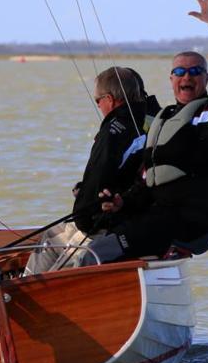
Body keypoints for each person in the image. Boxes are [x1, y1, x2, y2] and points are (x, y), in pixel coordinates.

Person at [80, 0, 208, 264]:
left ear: (207, 80)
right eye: (180, 71)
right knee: (92, 241)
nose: (187, 77)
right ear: (171, 79)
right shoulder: (162, 120)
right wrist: (123, 202)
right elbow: (149, 180)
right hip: (157, 217)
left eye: (195, 71)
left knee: (94, 256)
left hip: (190, 222)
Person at [24, 66, 155, 274]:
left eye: (98, 100)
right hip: (127, 214)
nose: (98, 105)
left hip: (104, 222)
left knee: (53, 249)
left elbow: (100, 175)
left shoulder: (112, 133)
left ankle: (25, 295)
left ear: (110, 99)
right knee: (52, 237)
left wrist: (83, 219)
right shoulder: (149, 122)